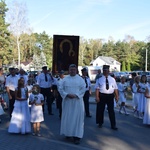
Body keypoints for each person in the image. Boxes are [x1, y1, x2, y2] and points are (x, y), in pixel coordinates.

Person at [59, 64, 86, 144]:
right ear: (69, 70)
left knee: (77, 119)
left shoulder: (80, 80)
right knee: (68, 118)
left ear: (76, 70)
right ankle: (68, 133)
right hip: (67, 102)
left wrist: (76, 95)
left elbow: (83, 89)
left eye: (74, 70)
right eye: (71, 69)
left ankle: (77, 136)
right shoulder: (65, 79)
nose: (72, 71)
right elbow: (60, 89)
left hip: (77, 102)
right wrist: (66, 94)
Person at [95, 65, 119, 130]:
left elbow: (115, 88)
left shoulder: (112, 79)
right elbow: (97, 89)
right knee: (100, 110)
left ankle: (113, 125)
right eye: (104, 70)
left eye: (107, 70)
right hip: (102, 95)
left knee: (111, 111)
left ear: (109, 71)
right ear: (103, 71)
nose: (105, 71)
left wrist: (117, 96)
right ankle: (100, 122)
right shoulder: (99, 79)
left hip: (110, 96)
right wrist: (97, 97)